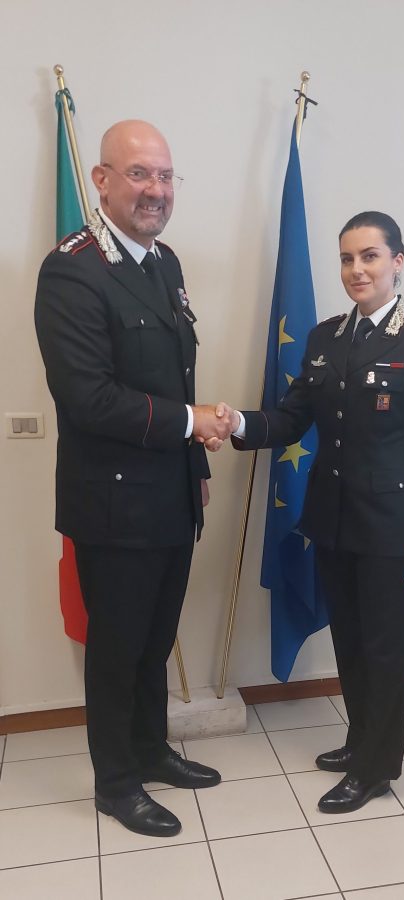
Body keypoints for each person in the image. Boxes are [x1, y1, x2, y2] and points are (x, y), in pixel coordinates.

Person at [212, 211, 404, 813]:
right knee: (348, 638)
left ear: (397, 262)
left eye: (370, 256)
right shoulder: (325, 338)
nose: (357, 269)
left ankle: (376, 768)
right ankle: (359, 740)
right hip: (334, 520)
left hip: (392, 528)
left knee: (384, 648)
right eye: (347, 258)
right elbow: (292, 417)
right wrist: (237, 423)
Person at [35, 120, 237, 837]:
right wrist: (192, 424)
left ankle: (151, 750)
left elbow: (173, 375)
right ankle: (116, 783)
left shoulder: (163, 262)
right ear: (101, 180)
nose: (156, 190)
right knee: (118, 650)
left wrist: (194, 464)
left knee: (155, 640)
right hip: (114, 505)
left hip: (171, 496)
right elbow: (88, 398)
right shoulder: (72, 269)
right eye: (139, 174)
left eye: (165, 176)